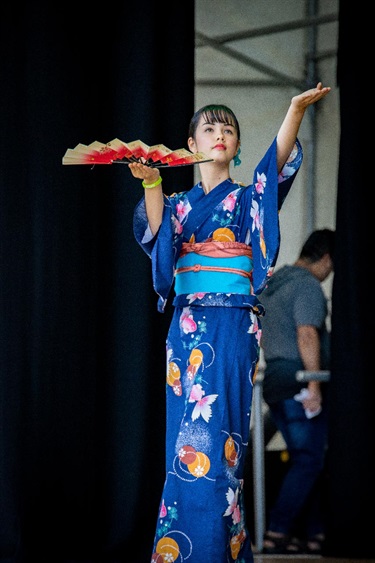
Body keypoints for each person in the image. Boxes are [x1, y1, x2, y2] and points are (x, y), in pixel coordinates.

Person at [129, 83, 331, 563]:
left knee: (224, 444)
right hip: (188, 328)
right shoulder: (180, 204)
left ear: (237, 146)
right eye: (209, 128)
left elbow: (274, 166)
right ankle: (190, 550)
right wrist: (152, 184)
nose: (220, 134)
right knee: (188, 441)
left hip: (235, 326)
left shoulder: (247, 200)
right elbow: (159, 239)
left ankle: (218, 550)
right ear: (192, 145)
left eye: (229, 129)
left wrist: (294, 111)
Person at [260, 228, 335, 555]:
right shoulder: (307, 286)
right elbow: (307, 335)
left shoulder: (274, 285)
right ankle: (277, 532)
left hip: (274, 380)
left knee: (308, 460)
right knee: (308, 459)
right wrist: (314, 385)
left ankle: (315, 534)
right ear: (327, 258)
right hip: (300, 381)